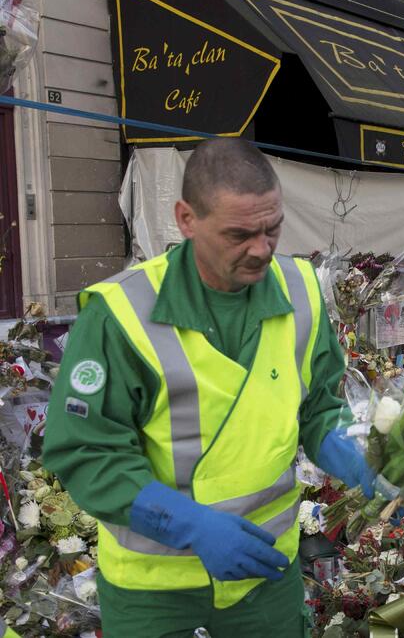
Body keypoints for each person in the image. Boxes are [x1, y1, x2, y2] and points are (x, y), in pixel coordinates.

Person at [43, 138, 376, 636]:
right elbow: (86, 451)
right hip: (152, 591)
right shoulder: (120, 315)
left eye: (273, 229)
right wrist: (189, 524)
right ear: (186, 218)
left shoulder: (302, 291)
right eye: (239, 234)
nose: (262, 249)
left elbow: (319, 406)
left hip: (265, 575)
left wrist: (351, 449)